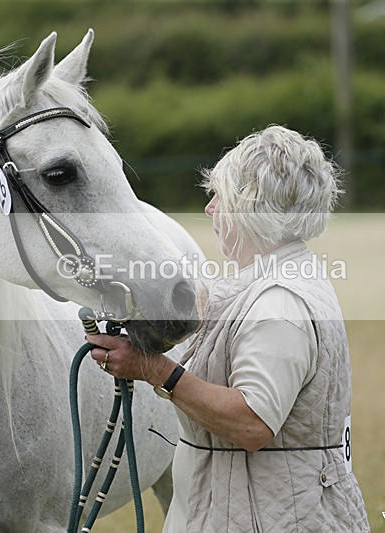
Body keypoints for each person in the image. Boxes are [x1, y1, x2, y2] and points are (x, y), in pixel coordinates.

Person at [88, 125, 369, 532]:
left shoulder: (279, 304)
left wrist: (153, 369)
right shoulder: (272, 279)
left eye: (220, 196)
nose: (210, 209)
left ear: (250, 207)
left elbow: (252, 423)